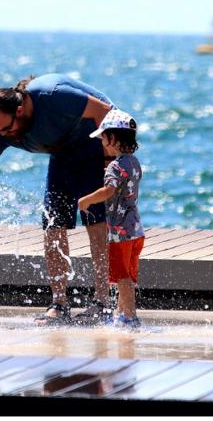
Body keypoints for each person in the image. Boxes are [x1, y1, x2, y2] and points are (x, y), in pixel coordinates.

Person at [0, 73, 117, 325]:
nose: (4, 135)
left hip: (96, 143)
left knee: (95, 221)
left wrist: (109, 161)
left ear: (21, 109)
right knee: (52, 224)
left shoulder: (53, 95)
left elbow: (105, 111)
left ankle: (102, 302)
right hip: (63, 152)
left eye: (6, 128)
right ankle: (59, 303)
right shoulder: (2, 132)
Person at [78, 109, 145, 328]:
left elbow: (109, 190)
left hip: (120, 231)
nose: (102, 142)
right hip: (136, 229)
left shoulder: (115, 167)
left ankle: (130, 317)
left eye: (104, 137)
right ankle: (122, 312)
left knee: (121, 275)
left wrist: (86, 200)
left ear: (113, 138)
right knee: (128, 275)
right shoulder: (133, 162)